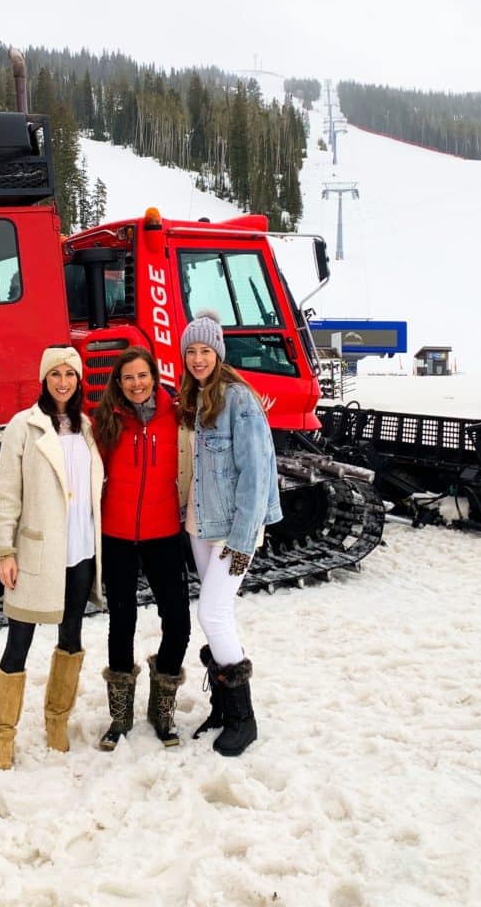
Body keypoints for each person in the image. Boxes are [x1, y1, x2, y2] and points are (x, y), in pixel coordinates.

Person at [0, 345, 104, 770]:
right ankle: (1, 737)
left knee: (71, 639)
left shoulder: (87, 427)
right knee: (18, 643)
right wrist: (6, 550)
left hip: (81, 552)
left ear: (78, 380)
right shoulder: (24, 426)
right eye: (55, 374)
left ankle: (57, 721)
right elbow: (7, 493)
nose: (63, 382)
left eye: (70, 374)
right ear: (44, 379)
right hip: (37, 553)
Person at [178, 310, 282, 757]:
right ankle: (222, 708)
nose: (198, 359)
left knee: (212, 614)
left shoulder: (239, 400)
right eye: (191, 351)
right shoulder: (196, 398)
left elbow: (257, 475)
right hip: (200, 526)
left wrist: (242, 540)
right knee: (219, 615)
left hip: (232, 531)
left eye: (206, 350)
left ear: (219, 353)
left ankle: (244, 719)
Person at [92, 347, 191, 750]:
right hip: (117, 535)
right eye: (128, 377)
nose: (136, 384)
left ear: (155, 377)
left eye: (142, 375)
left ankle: (161, 708)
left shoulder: (177, 416)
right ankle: (120, 716)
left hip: (163, 533)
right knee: (122, 621)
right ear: (118, 382)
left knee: (179, 622)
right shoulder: (106, 421)